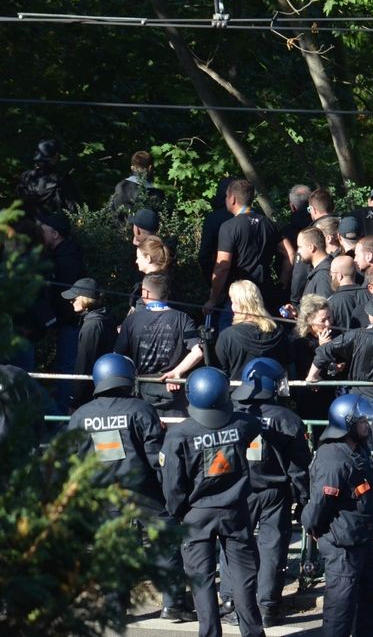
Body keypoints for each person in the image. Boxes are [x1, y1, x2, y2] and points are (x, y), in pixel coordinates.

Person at [67, 353, 192, 621]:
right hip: (145, 491)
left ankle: (115, 607)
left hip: (104, 494)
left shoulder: (80, 415)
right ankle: (174, 605)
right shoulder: (140, 409)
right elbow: (156, 457)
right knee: (165, 544)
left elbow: (73, 460)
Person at [160, 367, 266, 637]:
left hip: (196, 513)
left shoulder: (179, 435)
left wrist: (180, 511)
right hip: (235, 511)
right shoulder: (242, 424)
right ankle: (253, 632)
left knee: (202, 580)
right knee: (243, 578)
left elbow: (173, 484)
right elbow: (254, 419)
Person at [224, 358, 311, 626]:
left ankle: (230, 602)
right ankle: (267, 606)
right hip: (275, 491)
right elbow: (299, 466)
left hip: (239, 490)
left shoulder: (231, 412)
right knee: (272, 548)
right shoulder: (288, 419)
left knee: (234, 546)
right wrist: (304, 498)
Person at [300, 392, 373, 637]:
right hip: (343, 544)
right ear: (346, 424)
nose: (366, 425)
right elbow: (319, 503)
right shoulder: (332, 457)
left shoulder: (356, 449)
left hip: (362, 539)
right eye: (361, 422)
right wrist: (313, 527)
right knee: (341, 605)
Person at [205, 178, 296, 327]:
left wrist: (213, 299)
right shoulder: (269, 224)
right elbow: (290, 254)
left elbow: (223, 266)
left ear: (232, 198)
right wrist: (282, 285)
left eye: (226, 196)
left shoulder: (229, 227)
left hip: (239, 296)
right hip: (265, 293)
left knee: (229, 339)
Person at [309, 293, 373, 414]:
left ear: (372, 315)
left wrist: (312, 377)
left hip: (361, 405)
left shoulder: (356, 336)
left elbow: (324, 350)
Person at [114, 273, 203, 413]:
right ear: (167, 293)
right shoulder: (183, 318)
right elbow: (198, 352)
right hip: (174, 389)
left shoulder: (131, 321)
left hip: (142, 391)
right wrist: (177, 372)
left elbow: (117, 357)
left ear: (145, 292)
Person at [38, 211, 87, 411]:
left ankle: (63, 415)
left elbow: (63, 298)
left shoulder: (66, 260)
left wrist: (53, 321)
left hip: (69, 323)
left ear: (55, 234)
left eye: (43, 230)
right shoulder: (63, 254)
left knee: (66, 370)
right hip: (65, 322)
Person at [213, 280, 290, 379]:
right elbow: (288, 363)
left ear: (239, 305)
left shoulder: (227, 337)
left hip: (238, 392)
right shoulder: (278, 331)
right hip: (274, 391)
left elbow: (221, 373)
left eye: (232, 302)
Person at [61, 277, 116, 409]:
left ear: (84, 299)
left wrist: (75, 396)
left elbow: (84, 363)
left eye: (74, 298)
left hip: (90, 393)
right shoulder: (105, 318)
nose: (71, 301)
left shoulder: (91, 326)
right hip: (103, 386)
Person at [289, 294, 336, 419]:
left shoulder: (334, 334)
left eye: (329, 317)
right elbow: (305, 370)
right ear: (309, 321)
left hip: (333, 395)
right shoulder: (300, 342)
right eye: (322, 320)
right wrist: (321, 349)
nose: (328, 324)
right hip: (311, 400)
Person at [18, 139, 80, 215]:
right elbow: (74, 206)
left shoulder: (26, 177)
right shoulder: (62, 178)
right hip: (57, 223)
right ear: (56, 156)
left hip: (31, 223)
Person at [109, 150, 162, 223]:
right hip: (142, 233)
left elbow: (113, 212)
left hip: (118, 232)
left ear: (132, 168)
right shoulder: (155, 193)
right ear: (150, 168)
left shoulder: (120, 186)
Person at [327, 255, 365, 331]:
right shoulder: (369, 294)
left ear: (339, 276)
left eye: (331, 273)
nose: (330, 276)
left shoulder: (332, 303)